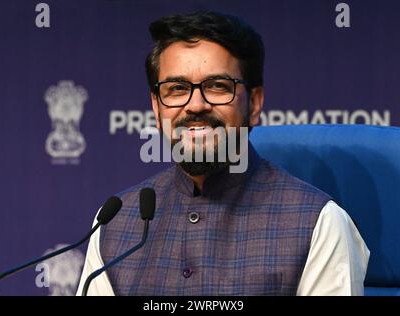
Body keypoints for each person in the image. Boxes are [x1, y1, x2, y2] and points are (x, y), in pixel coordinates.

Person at [77, 10, 369, 296]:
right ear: (156, 107)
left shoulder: (320, 222)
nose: (195, 105)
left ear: (253, 103)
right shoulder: (114, 223)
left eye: (217, 86)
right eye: (177, 88)